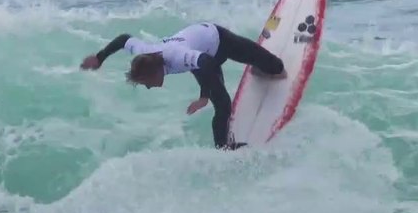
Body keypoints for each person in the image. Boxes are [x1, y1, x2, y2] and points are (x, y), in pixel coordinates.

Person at [80, 22, 286, 149]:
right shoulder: (142, 51)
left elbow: (208, 63)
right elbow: (123, 39)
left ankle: (262, 68)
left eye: (148, 83)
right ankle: (224, 150)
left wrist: (204, 96)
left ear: (157, 72)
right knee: (223, 106)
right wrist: (100, 58)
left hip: (218, 40)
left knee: (276, 68)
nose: (149, 88)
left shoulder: (176, 57)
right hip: (199, 59)